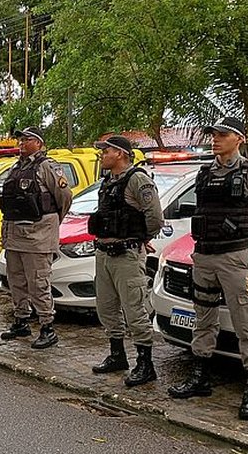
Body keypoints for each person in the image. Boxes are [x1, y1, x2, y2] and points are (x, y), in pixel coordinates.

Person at [168, 117, 248, 422]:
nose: (215, 139)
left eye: (223, 135)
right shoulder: (204, 174)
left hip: (234, 258)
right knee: (203, 319)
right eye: (213, 135)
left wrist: (243, 249)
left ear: (239, 139)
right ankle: (201, 377)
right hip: (203, 256)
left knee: (246, 322)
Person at [88, 135, 164, 384]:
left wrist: (142, 237)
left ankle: (145, 363)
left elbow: (155, 217)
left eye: (106, 150)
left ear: (120, 153)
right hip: (105, 253)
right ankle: (117, 354)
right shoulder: (108, 181)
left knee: (134, 308)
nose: (102, 154)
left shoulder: (137, 180)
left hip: (127, 254)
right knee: (107, 308)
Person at [0, 127, 73, 349]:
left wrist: (50, 223)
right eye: (20, 140)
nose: (22, 143)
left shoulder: (47, 167)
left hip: (37, 236)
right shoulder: (16, 167)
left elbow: (64, 197)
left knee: (38, 283)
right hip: (14, 235)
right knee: (17, 281)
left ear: (39, 143)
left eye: (27, 139)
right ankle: (21, 320)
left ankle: (47, 326)